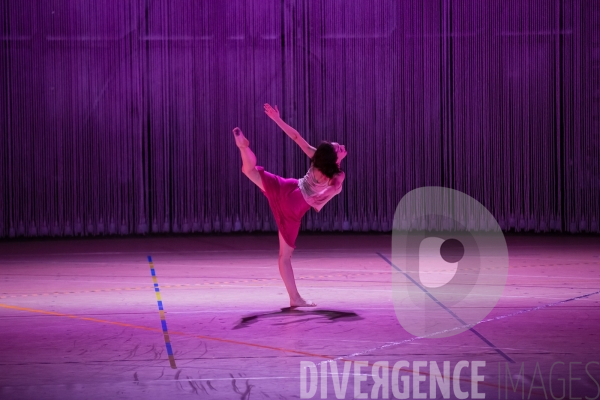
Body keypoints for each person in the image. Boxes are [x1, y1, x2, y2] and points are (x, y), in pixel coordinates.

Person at [232, 103, 347, 307]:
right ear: (335, 157)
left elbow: (296, 137)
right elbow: (333, 188)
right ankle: (295, 299)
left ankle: (243, 147)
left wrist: (277, 118)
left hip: (289, 187)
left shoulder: (317, 158)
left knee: (250, 172)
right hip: (296, 204)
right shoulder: (337, 174)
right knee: (285, 257)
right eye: (339, 147)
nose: (341, 147)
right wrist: (323, 198)